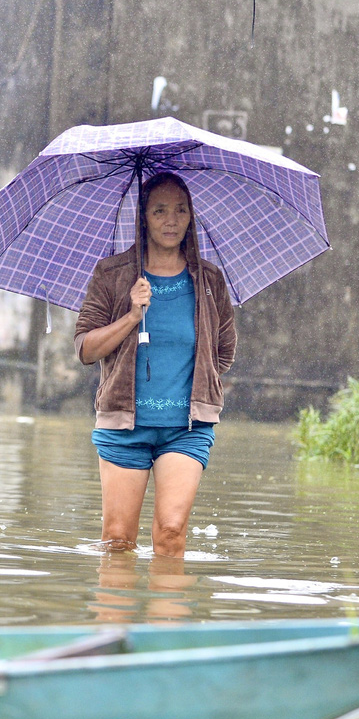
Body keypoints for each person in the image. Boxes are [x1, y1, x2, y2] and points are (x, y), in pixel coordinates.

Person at [74, 172, 237, 557]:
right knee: (117, 540)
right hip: (124, 424)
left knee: (171, 532)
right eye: (160, 210)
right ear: (143, 216)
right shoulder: (113, 275)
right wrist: (131, 316)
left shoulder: (209, 280)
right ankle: (117, 616)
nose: (171, 220)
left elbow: (224, 354)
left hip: (187, 427)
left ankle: (166, 618)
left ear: (191, 217)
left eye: (181, 210)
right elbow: (85, 349)